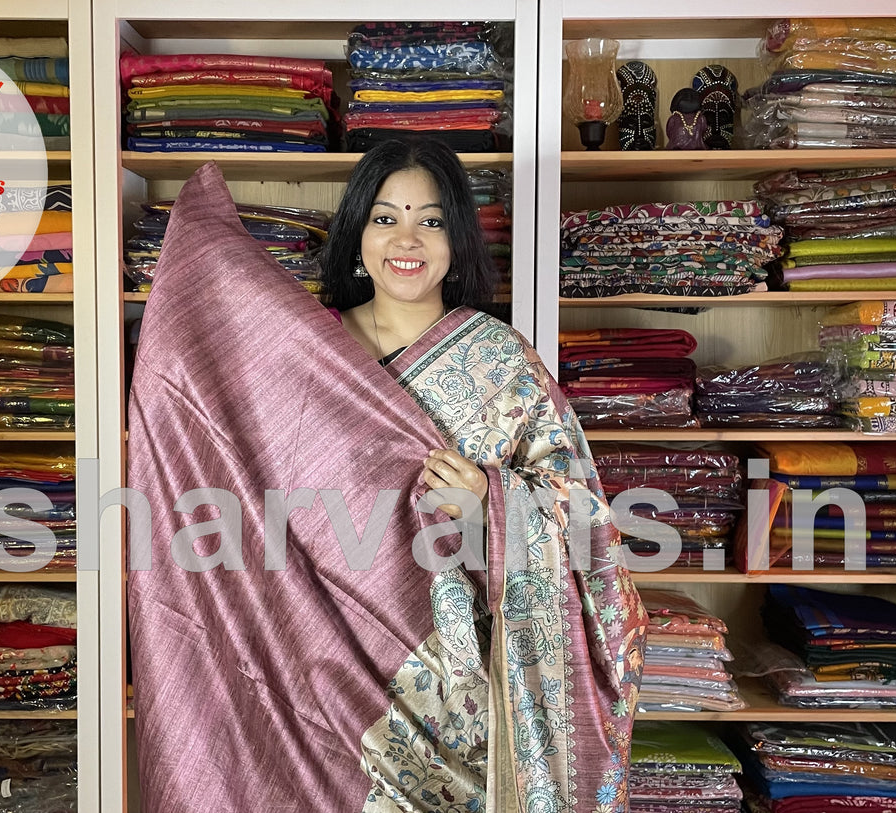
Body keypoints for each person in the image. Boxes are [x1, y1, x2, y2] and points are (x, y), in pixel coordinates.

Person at [127, 138, 645, 813]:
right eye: (384, 217)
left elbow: (589, 529)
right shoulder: (302, 351)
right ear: (355, 234)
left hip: (454, 696)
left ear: (456, 238)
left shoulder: (500, 360)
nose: (407, 239)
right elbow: (214, 447)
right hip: (301, 662)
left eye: (430, 220)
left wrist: (493, 502)